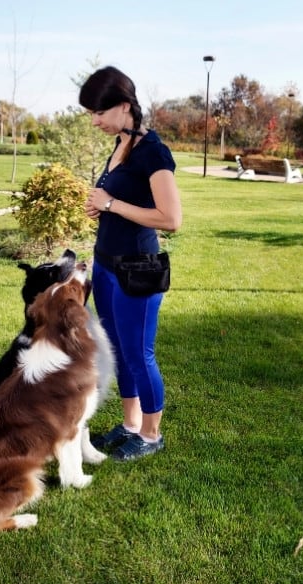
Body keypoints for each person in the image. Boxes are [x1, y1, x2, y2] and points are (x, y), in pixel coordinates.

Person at [79, 66, 182, 461]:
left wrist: (111, 203)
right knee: (119, 351)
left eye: (99, 112)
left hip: (136, 270)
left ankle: (152, 435)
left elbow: (170, 219)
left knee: (139, 353)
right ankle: (130, 425)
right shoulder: (123, 143)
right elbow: (118, 199)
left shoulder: (153, 152)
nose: (95, 121)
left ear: (124, 106)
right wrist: (102, 207)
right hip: (105, 265)